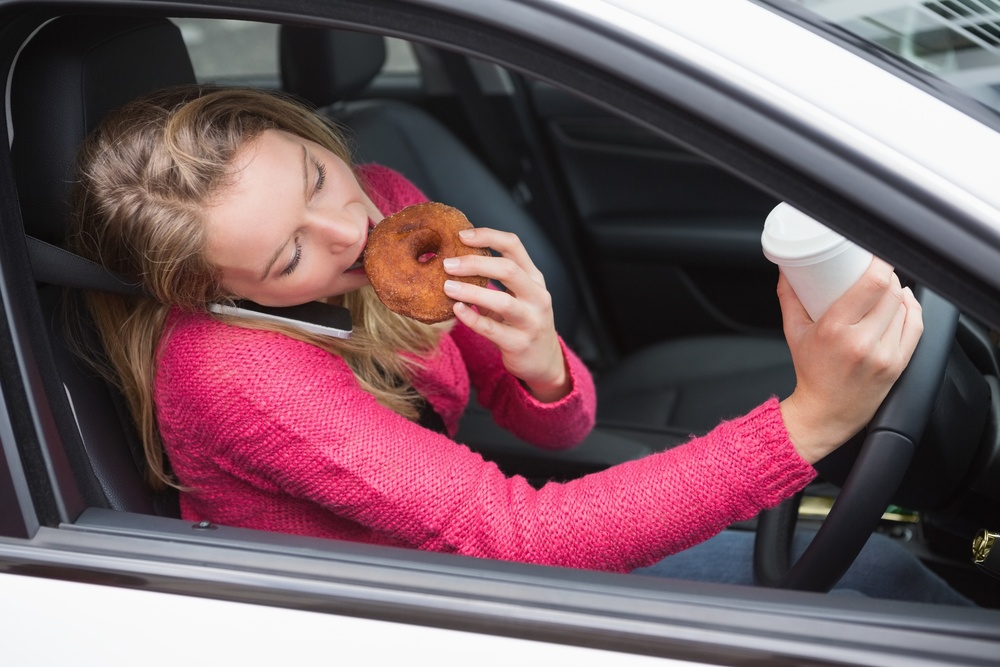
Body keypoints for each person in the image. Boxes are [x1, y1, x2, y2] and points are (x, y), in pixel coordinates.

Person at [67, 84, 966, 604]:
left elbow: (560, 432)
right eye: (289, 252)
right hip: (382, 609)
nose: (348, 228)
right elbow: (517, 535)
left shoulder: (384, 194)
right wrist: (808, 423)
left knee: (869, 568)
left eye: (313, 176)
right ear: (222, 291)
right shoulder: (234, 370)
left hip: (461, 545)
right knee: (872, 580)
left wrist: (539, 358)